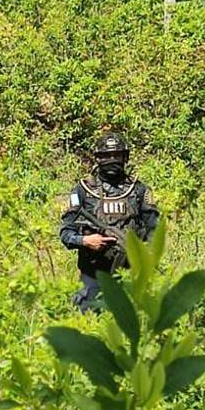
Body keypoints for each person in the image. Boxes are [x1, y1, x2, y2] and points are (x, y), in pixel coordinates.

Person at [59, 132, 160, 312]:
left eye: (116, 155)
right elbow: (66, 233)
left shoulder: (138, 190)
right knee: (88, 326)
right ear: (98, 158)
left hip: (130, 272)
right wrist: (86, 241)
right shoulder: (83, 190)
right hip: (93, 274)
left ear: (125, 157)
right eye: (106, 156)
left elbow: (154, 231)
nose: (111, 160)